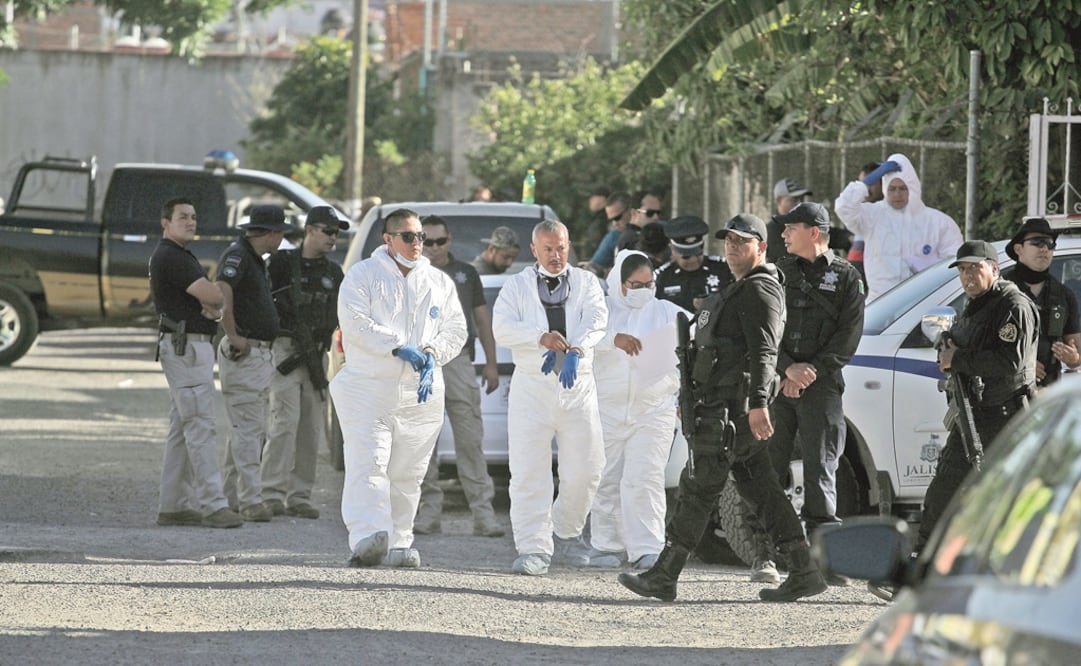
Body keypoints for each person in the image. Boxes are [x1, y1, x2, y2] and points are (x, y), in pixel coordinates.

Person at [618, 213, 826, 603]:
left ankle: (665, 573)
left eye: (741, 242)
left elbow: (765, 352)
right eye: (728, 241)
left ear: (761, 247)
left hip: (733, 412)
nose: (731, 248)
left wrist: (759, 403)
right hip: (723, 408)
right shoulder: (741, 287)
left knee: (698, 487)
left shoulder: (760, 290)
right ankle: (804, 570)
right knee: (761, 489)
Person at [331, 208, 467, 568]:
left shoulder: (439, 282)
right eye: (408, 236)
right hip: (369, 387)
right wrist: (395, 345)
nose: (417, 243)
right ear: (388, 239)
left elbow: (456, 328)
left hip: (421, 390)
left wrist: (432, 355)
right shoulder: (362, 276)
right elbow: (354, 322)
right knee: (370, 461)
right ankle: (367, 537)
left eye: (420, 236)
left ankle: (399, 541)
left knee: (409, 470)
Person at [746, 202, 865, 585]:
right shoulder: (776, 274)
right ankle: (764, 556)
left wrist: (809, 373)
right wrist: (786, 368)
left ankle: (821, 562)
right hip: (778, 387)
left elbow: (848, 337)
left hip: (822, 388)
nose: (782, 235)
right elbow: (761, 328)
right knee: (766, 469)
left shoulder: (847, 278)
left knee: (820, 472)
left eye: (790, 228)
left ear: (814, 232)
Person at [492, 219, 608, 576]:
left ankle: (567, 531)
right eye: (548, 249)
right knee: (528, 471)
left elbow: (597, 319)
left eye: (561, 248)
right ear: (534, 251)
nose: (556, 256)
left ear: (568, 246)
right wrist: (539, 336)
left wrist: (577, 348)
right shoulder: (515, 286)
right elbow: (502, 327)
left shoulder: (587, 282)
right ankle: (533, 547)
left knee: (587, 469)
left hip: (578, 385)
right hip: (533, 387)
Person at [915, 240, 1038, 553]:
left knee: (1008, 497)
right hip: (973, 414)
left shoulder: (1013, 305)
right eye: (963, 270)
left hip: (1004, 417)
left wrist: (957, 360)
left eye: (976, 268)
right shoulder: (976, 303)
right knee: (946, 489)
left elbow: (1009, 361)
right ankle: (921, 565)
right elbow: (966, 343)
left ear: (993, 269)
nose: (968, 276)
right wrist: (948, 346)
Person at [587, 250, 688, 570]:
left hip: (653, 411)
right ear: (619, 281)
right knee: (605, 477)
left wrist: (685, 394)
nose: (644, 289)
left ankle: (647, 546)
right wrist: (612, 340)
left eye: (650, 283)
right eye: (636, 284)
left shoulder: (668, 312)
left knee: (644, 478)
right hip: (607, 409)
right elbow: (582, 339)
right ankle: (606, 545)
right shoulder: (599, 312)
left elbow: (696, 345)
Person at [149, 197, 243, 529]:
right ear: (166, 222)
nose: (190, 222)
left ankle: (173, 505)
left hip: (190, 346)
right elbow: (217, 297)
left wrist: (210, 303)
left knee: (182, 426)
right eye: (182, 217)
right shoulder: (171, 257)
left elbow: (213, 302)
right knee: (200, 425)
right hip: (185, 348)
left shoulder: (181, 256)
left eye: (194, 216)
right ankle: (214, 504)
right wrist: (211, 299)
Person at [413, 215, 506, 538]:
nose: (435, 248)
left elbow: (483, 322)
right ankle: (428, 512)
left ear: (449, 240)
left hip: (458, 361)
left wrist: (491, 363)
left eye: (441, 241)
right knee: (424, 442)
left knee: (470, 441)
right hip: (421, 361)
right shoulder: (412, 273)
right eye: (428, 241)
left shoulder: (466, 273)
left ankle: (483, 514)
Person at [260, 206, 348, 520]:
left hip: (316, 354)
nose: (333, 238)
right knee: (283, 423)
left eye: (337, 233)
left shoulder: (333, 272)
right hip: (285, 349)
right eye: (327, 231)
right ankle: (271, 492)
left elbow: (341, 317)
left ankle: (300, 495)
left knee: (310, 428)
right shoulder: (281, 264)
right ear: (310, 230)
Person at [215, 205, 295, 522]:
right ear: (270, 232)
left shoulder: (252, 259)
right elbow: (223, 290)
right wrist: (233, 334)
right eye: (280, 233)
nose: (282, 240)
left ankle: (231, 494)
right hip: (246, 352)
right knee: (250, 431)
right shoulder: (238, 256)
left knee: (246, 429)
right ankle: (250, 500)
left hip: (259, 353)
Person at [835, 153, 963, 301]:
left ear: (912, 188)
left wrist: (928, 269)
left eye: (903, 188)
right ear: (884, 189)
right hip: (880, 304)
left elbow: (954, 263)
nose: (897, 194)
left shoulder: (938, 222)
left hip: (923, 303)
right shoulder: (872, 216)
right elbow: (844, 207)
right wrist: (866, 183)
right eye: (892, 188)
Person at [1003, 217, 1081, 386]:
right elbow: (981, 348)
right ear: (1019, 249)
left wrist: (1073, 357)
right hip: (1006, 396)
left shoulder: (1064, 295)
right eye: (1037, 242)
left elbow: (1077, 353)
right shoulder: (1000, 292)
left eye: (1050, 243)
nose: (1044, 248)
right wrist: (1022, 364)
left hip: (1046, 395)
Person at [654, 215, 732, 312]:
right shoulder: (661, 278)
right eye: (686, 256)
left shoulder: (724, 268)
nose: (694, 260)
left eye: (698, 253)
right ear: (672, 249)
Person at [846, 161, 885, 286]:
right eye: (862, 184)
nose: (865, 189)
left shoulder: (888, 212)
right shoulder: (863, 210)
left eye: (870, 182)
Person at [585, 191, 632, 276]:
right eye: (611, 220)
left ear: (631, 210)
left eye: (618, 217)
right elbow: (592, 268)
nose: (615, 223)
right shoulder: (614, 236)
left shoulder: (657, 230)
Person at [766, 177, 812, 263]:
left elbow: (835, 235)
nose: (799, 204)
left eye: (801, 199)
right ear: (778, 201)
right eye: (794, 200)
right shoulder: (770, 232)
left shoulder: (809, 224)